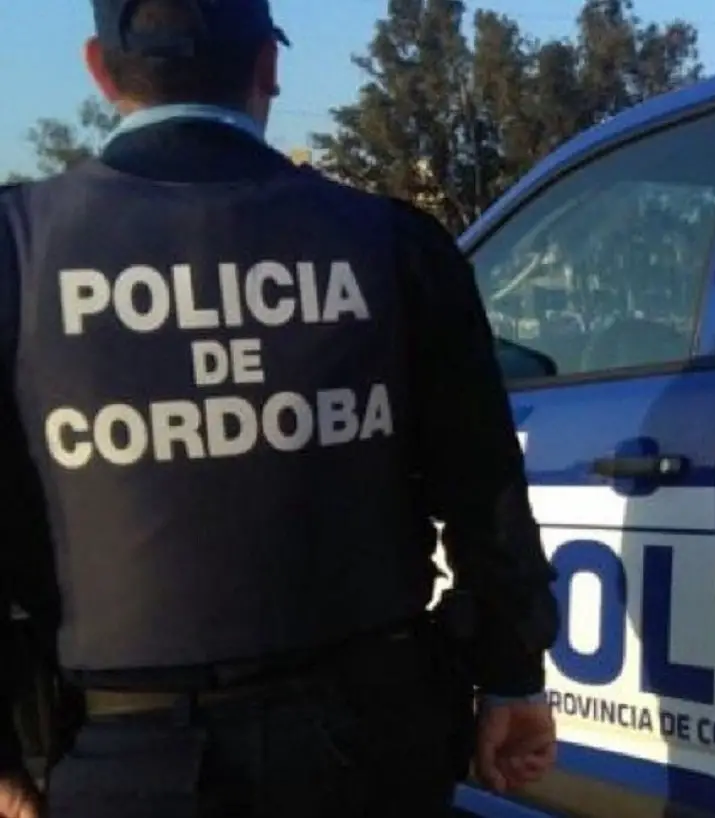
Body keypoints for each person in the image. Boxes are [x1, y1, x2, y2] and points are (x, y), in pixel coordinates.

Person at [0, 0, 559, 815]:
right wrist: (511, 674)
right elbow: (486, 493)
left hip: (124, 758)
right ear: (268, 64)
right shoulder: (393, 241)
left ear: (98, 67)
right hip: (373, 745)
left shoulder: (18, 250)